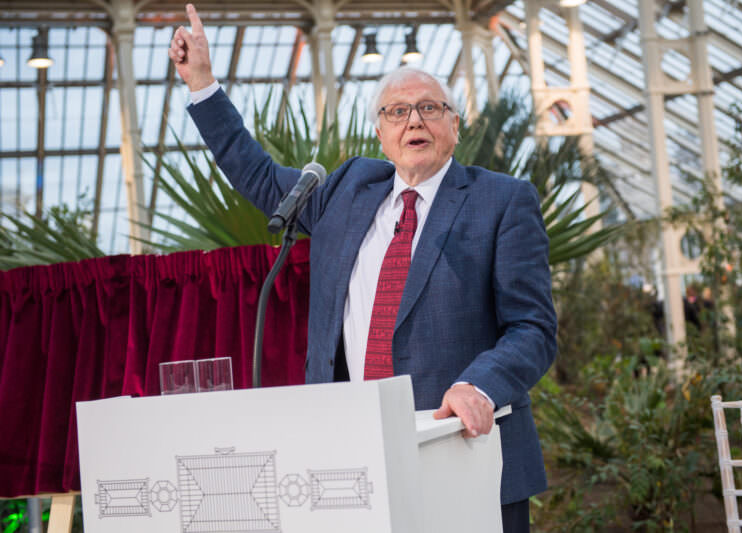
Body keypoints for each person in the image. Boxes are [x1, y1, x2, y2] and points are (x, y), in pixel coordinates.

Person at [169, 5, 557, 532]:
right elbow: (258, 175)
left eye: (429, 108)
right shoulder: (348, 191)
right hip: (353, 458)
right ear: (380, 133)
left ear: (454, 126)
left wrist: (480, 387)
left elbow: (533, 328)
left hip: (465, 454)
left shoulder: (502, 201)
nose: (414, 120)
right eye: (397, 112)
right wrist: (203, 85)